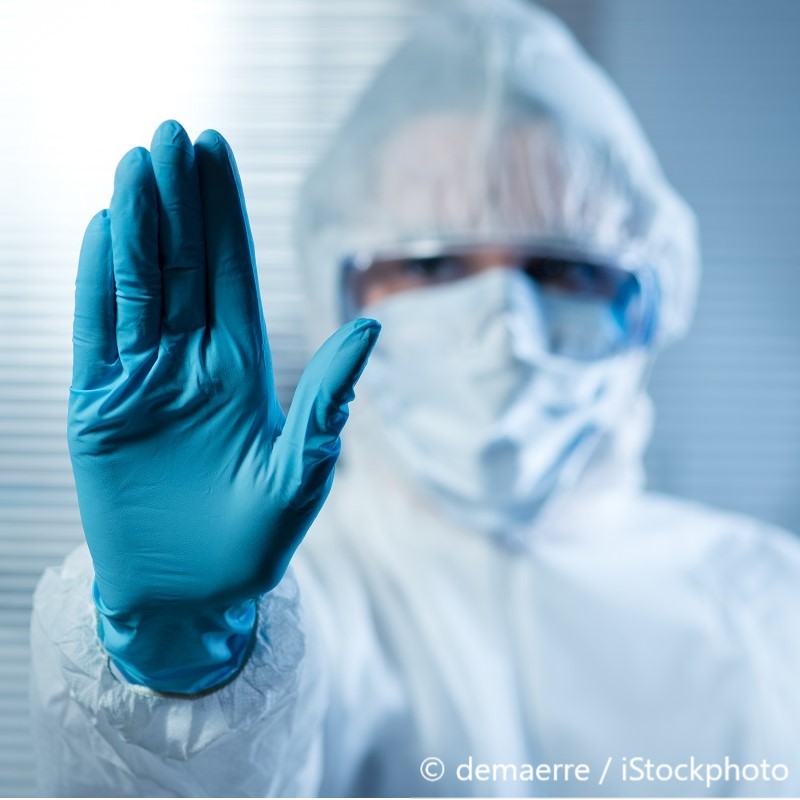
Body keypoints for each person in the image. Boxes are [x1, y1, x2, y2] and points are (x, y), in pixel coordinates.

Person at [29, 1, 800, 796]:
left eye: (561, 269)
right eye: (434, 266)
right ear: (340, 288)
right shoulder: (282, 608)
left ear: (648, 302)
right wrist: (180, 673)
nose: (505, 323)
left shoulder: (772, 606)